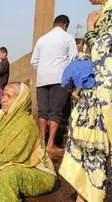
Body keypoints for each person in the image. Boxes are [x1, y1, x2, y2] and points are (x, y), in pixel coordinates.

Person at [59, 0, 112, 202]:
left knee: (96, 153)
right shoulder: (105, 12)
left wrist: (90, 31)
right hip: (91, 95)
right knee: (83, 148)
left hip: (106, 97)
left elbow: (110, 56)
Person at [30, 14, 78, 151]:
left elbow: (33, 61)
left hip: (42, 79)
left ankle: (41, 142)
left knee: (43, 112)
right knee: (56, 112)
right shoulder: (68, 38)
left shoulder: (42, 39)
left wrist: (45, 68)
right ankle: (51, 144)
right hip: (59, 78)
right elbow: (73, 60)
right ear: (66, 25)